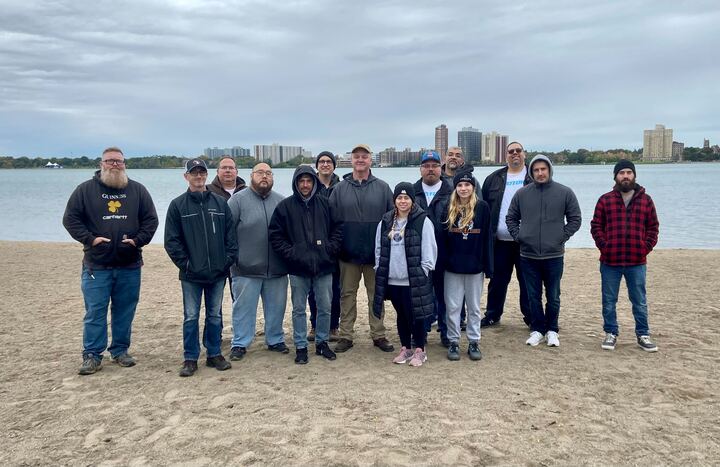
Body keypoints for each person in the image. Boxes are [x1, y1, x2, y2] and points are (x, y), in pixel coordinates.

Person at [62, 147, 158, 375]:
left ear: (125, 164)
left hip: (129, 264)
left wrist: (138, 240)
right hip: (97, 265)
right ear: (101, 164)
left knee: (125, 310)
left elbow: (151, 220)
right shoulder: (85, 190)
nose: (115, 165)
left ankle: (120, 350)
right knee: (95, 312)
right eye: (110, 161)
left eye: (119, 161)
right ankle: (92, 355)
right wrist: (90, 239)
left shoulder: (137, 190)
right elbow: (70, 219)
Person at [164, 159, 237, 376]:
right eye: (194, 172)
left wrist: (226, 261)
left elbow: (231, 237)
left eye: (201, 172)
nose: (198, 176)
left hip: (217, 273)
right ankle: (190, 358)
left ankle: (214, 353)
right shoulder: (177, 205)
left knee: (214, 315)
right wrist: (187, 264)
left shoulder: (220, 204)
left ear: (206, 175)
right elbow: (171, 241)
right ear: (186, 176)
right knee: (191, 316)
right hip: (191, 275)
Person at [268, 166, 343, 364]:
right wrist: (292, 253)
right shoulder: (285, 207)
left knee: (325, 307)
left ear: (314, 183)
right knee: (299, 309)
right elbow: (275, 235)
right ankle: (301, 346)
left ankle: (322, 343)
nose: (305, 185)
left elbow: (338, 229)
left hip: (324, 266)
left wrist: (329, 249)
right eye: (301, 181)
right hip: (298, 267)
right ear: (296, 183)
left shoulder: (326, 204)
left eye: (309, 181)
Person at [506, 155, 581, 347]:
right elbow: (511, 218)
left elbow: (575, 219)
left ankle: (552, 330)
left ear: (549, 170)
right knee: (533, 296)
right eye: (536, 170)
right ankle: (537, 329)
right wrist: (519, 236)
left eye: (543, 169)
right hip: (528, 255)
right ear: (531, 173)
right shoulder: (522, 194)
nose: (540, 173)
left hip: (554, 255)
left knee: (553, 296)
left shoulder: (565, 192)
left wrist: (561, 236)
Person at [329, 144, 395, 353]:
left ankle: (378, 334)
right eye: (356, 156)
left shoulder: (383, 187)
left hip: (375, 254)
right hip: (347, 253)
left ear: (370, 160)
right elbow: (331, 221)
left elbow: (393, 219)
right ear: (351, 160)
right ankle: (346, 335)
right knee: (347, 295)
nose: (360, 160)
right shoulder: (339, 189)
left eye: (364, 156)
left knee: (376, 295)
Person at [590, 160, 660, 352]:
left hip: (636, 261)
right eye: (621, 173)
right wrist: (605, 247)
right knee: (609, 300)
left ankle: (643, 334)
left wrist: (645, 247)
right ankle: (611, 333)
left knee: (639, 300)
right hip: (610, 261)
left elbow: (653, 227)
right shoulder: (605, 200)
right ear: (615, 177)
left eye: (629, 172)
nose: (626, 176)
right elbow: (596, 226)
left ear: (634, 175)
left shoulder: (646, 200)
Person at [227, 163, 289, 359]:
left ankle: (275, 339)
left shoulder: (281, 201)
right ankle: (240, 343)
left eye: (268, 173)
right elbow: (227, 233)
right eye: (260, 173)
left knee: (277, 308)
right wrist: (234, 259)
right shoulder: (237, 201)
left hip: (277, 268)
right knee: (243, 309)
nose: (264, 176)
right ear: (251, 176)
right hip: (245, 268)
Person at [373, 183, 437, 367]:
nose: (403, 201)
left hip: (414, 278)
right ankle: (405, 347)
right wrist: (379, 268)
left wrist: (424, 270)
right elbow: (378, 248)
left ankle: (420, 350)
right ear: (394, 200)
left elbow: (429, 248)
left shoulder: (422, 221)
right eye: (399, 198)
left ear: (412, 200)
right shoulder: (385, 221)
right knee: (401, 314)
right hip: (393, 278)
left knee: (416, 315)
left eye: (406, 198)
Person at [442, 167, 493, 361]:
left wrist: (488, 266)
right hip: (452, 267)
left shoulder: (482, 208)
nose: (463, 188)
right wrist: (443, 262)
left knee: (474, 307)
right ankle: (453, 341)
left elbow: (487, 238)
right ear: (455, 188)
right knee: (453, 307)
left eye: (467, 185)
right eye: (460, 185)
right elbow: (443, 239)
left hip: (475, 267)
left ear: (473, 187)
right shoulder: (449, 207)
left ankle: (473, 341)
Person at [480, 141, 532, 328]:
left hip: (526, 242)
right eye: (511, 151)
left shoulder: (533, 176)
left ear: (524, 154)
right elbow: (483, 208)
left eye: (518, 150)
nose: (515, 153)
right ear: (506, 155)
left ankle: (531, 317)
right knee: (497, 281)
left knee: (527, 281)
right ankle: (492, 315)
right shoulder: (494, 178)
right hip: (499, 241)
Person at [413, 150, 453, 347]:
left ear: (440, 168)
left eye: (434, 166)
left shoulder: (451, 192)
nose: (430, 169)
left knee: (445, 297)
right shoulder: (412, 192)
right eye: (426, 166)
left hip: (445, 254)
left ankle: (446, 332)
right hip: (418, 254)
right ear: (420, 169)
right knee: (420, 296)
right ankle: (421, 333)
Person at [307, 151, 342, 342]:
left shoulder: (341, 186)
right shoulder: (309, 186)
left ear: (334, 166)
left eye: (329, 161)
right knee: (313, 290)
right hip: (313, 247)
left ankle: (333, 326)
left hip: (335, 246)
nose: (325, 164)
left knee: (335, 289)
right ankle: (314, 324)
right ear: (317, 165)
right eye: (322, 161)